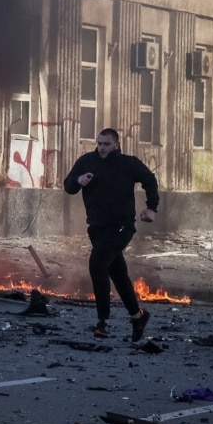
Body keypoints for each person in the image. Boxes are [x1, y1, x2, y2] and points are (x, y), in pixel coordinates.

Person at [63, 127, 158, 342]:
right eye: (99, 143)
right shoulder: (87, 161)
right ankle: (137, 316)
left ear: (116, 144)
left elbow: (150, 180)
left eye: (106, 144)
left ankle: (102, 322)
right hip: (96, 227)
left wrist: (151, 208)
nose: (102, 148)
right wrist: (79, 181)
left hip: (121, 226)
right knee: (117, 272)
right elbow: (68, 186)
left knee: (97, 264)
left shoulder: (127, 163)